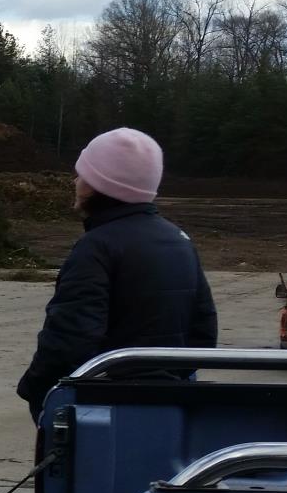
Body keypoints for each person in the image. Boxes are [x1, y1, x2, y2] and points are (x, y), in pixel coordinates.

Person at [16, 127, 217, 419]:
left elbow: (71, 339)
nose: (75, 181)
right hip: (172, 406)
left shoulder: (96, 247)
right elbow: (204, 331)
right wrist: (169, 379)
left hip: (112, 407)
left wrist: (35, 388)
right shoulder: (179, 239)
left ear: (99, 185)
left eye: (82, 174)